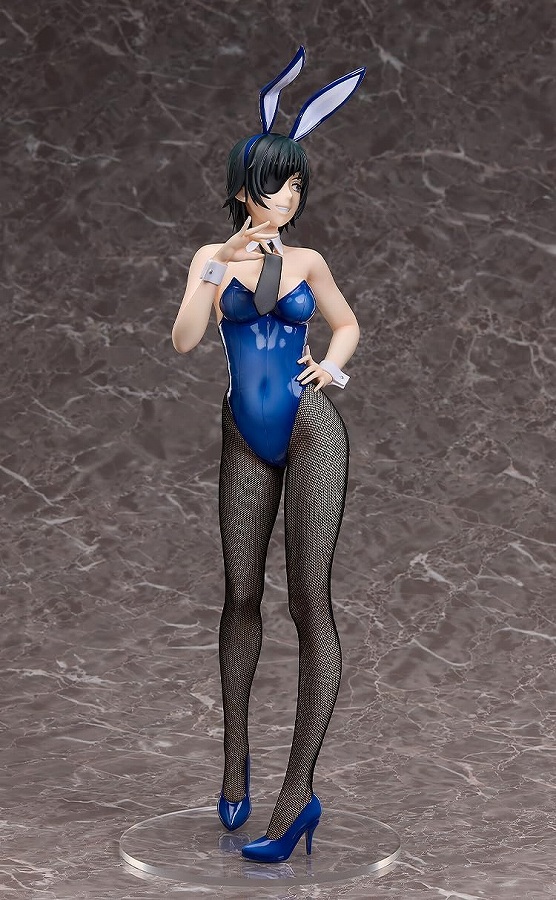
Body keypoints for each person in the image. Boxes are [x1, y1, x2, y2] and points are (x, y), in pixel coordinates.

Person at [171, 47, 365, 863]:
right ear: (243, 188)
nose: (287, 198)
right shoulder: (212, 261)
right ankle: (234, 759)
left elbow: (346, 323)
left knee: (309, 602)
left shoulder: (308, 261)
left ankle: (296, 798)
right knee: (241, 595)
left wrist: (333, 367)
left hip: (310, 426)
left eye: (295, 187)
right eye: (275, 185)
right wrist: (212, 271)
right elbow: (185, 341)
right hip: (243, 432)